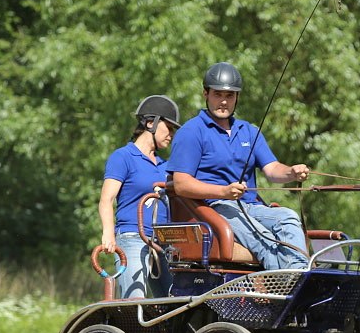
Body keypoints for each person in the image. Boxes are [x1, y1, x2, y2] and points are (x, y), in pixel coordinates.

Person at [166, 62, 310, 270]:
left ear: (237, 97)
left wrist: (291, 172)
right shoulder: (192, 131)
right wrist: (223, 192)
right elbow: (180, 184)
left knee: (288, 217)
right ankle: (290, 283)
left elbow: (272, 169)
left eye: (230, 95)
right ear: (206, 94)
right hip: (213, 208)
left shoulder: (248, 131)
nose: (223, 101)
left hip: (251, 207)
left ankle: (301, 276)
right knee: (265, 239)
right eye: (218, 94)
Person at [98, 95, 180, 298]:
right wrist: (108, 233)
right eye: (168, 127)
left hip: (163, 242)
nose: (171, 134)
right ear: (150, 123)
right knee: (135, 302)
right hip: (133, 238)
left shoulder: (165, 166)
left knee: (176, 303)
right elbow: (106, 200)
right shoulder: (123, 157)